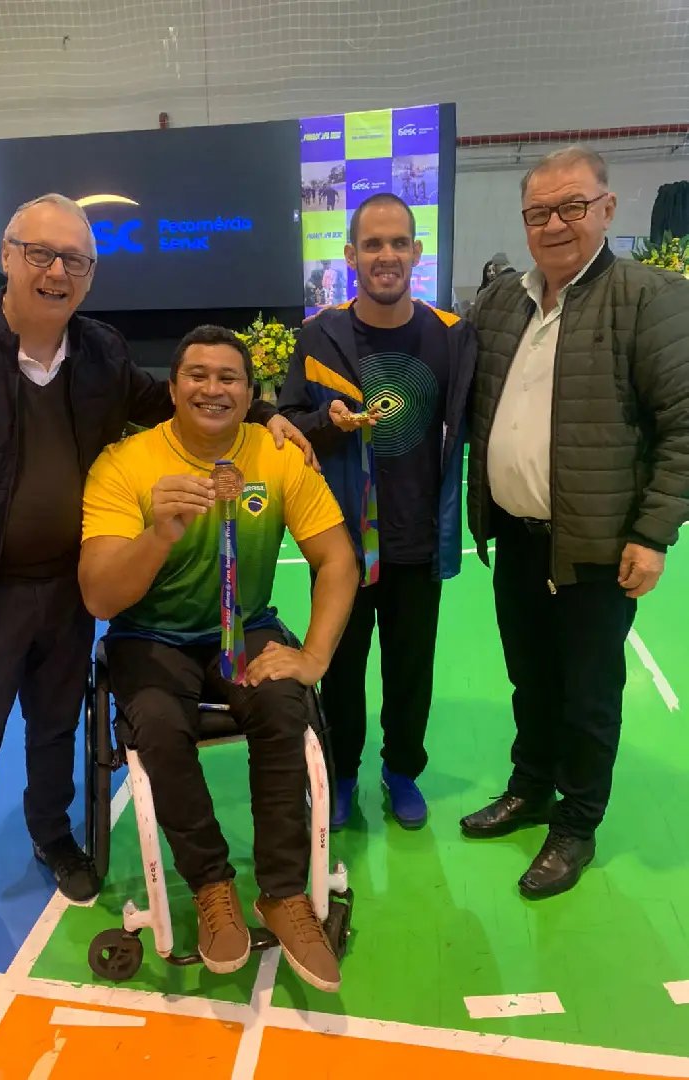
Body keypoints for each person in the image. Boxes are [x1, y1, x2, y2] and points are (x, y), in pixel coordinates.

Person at [0, 192, 316, 960]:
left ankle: (54, 836)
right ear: (7, 256)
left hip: (68, 589)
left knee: (56, 727)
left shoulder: (102, 353)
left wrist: (264, 414)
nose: (57, 272)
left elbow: (171, 405)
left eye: (74, 261)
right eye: (41, 254)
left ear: (89, 275)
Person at [78, 324, 358, 992]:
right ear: (173, 389)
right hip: (151, 635)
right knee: (158, 726)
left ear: (250, 392)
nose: (213, 388)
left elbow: (338, 560)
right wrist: (158, 534)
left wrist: (314, 657)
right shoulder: (124, 464)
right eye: (197, 375)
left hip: (243, 625)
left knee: (284, 701)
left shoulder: (278, 455)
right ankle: (210, 885)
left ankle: (283, 894)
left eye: (228, 377)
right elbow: (99, 596)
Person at [462, 146, 689, 898]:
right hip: (518, 537)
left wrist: (653, 535)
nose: (555, 224)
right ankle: (531, 788)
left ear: (607, 208)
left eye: (573, 207)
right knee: (530, 679)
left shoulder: (651, 298)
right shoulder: (502, 302)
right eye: (539, 212)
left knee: (588, 695)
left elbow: (684, 425)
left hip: (598, 545)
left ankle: (577, 823)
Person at [278, 193, 476, 830]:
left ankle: (401, 770)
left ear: (417, 252)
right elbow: (286, 419)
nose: (385, 256)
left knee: (410, 669)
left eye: (397, 243)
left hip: (418, 537)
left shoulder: (451, 336)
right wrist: (326, 421)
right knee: (339, 666)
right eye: (372, 244)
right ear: (350, 255)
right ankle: (340, 774)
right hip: (342, 541)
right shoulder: (320, 334)